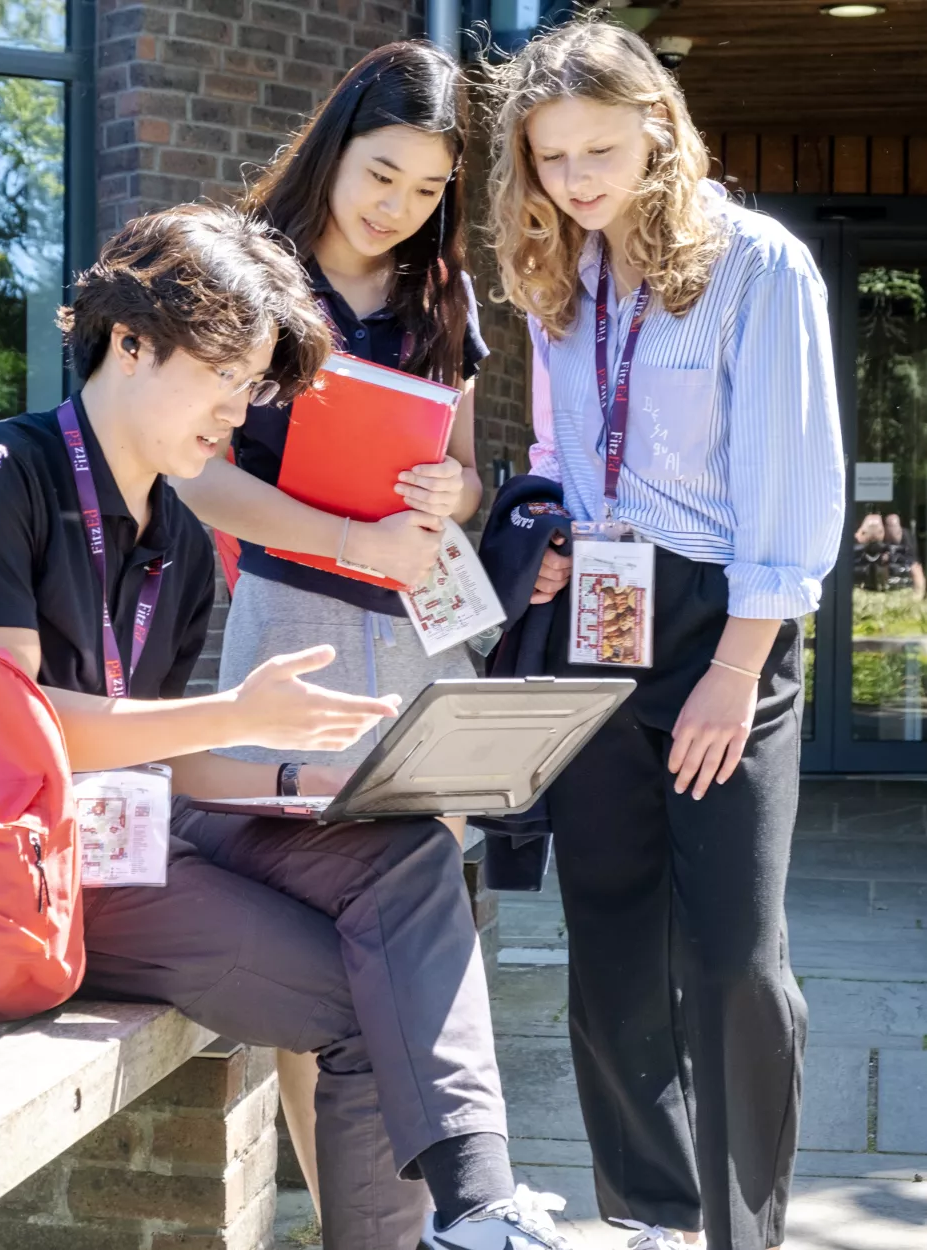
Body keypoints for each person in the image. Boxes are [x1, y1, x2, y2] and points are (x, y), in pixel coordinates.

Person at [0, 205, 573, 1250]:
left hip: (135, 829)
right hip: (12, 856)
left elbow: (161, 749)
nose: (242, 410)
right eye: (229, 376)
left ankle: (475, 1205)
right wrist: (237, 714)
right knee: (362, 996)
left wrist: (308, 778)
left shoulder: (183, 541)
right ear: (129, 341)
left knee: (400, 850)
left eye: (255, 383)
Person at [487, 19, 845, 1250]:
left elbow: (793, 494)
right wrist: (542, 534)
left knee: (736, 951)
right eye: (550, 159)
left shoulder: (758, 266)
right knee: (610, 929)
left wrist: (733, 672)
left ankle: (742, 1230)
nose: (578, 179)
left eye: (599, 147)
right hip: (598, 603)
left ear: (658, 128)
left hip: (724, 620)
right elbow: (556, 450)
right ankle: (647, 1211)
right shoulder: (556, 278)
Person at [168, 42, 489, 1213]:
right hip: (289, 631)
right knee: (315, 932)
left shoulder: (439, 296)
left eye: (424, 191)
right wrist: (343, 538)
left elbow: (463, 475)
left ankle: (428, 1216)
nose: (397, 208)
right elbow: (196, 476)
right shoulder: (250, 275)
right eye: (381, 172)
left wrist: (457, 496)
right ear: (335, 140)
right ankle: (344, 1215)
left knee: (416, 928)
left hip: (416, 641)